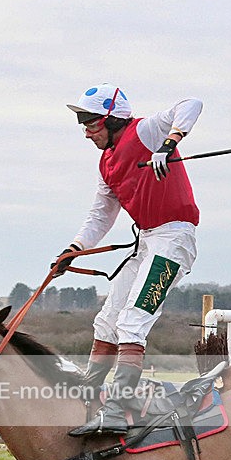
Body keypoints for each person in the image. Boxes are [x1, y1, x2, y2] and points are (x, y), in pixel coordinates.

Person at [59, 83, 203, 437]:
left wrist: (169, 144)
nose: (86, 132)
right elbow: (100, 215)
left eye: (91, 123)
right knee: (107, 321)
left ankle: (117, 408)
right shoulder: (105, 163)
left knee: (133, 321)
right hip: (147, 241)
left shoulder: (145, 130)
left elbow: (191, 102)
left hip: (173, 240)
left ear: (112, 119)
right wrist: (74, 248)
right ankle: (89, 392)